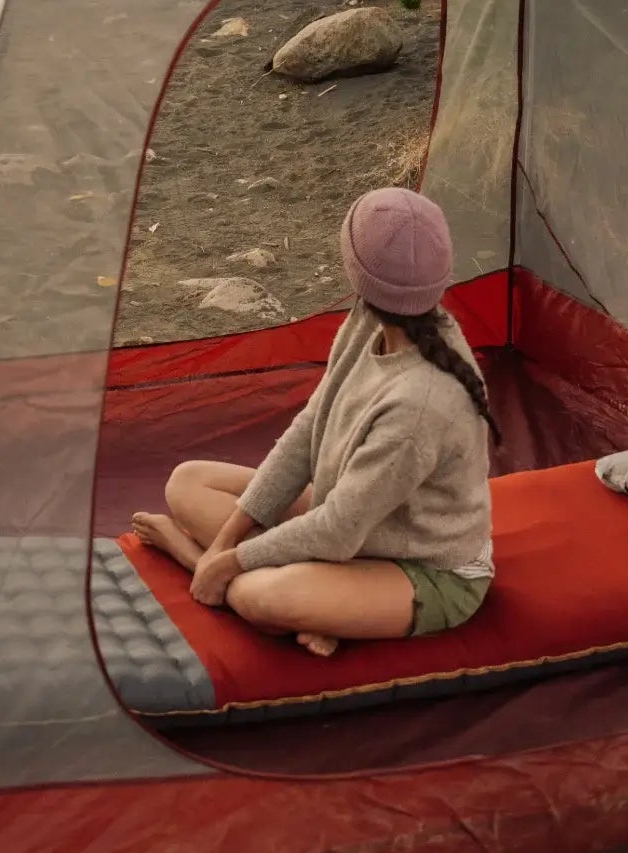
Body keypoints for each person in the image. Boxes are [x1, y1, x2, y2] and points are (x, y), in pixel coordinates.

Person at [133, 186, 498, 658]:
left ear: (358, 274)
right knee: (188, 483)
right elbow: (311, 427)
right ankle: (326, 608)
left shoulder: (421, 403)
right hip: (354, 517)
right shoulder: (369, 320)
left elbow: (337, 530)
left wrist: (223, 563)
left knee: (259, 596)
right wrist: (227, 542)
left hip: (422, 567)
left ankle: (200, 563)